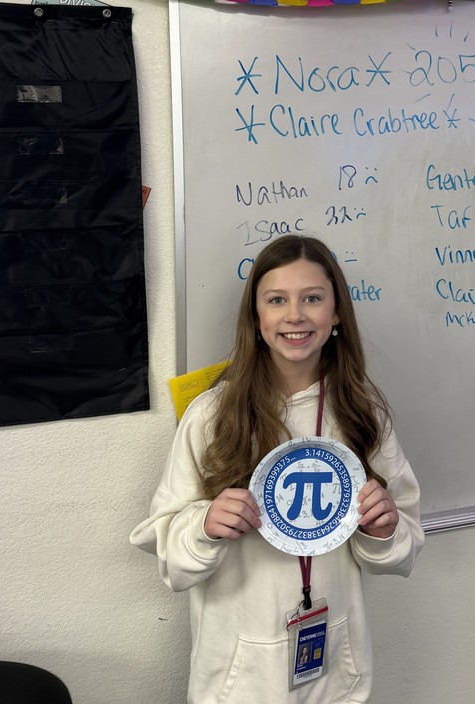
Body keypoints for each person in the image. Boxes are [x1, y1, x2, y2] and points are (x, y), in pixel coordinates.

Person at [130, 234, 424, 704]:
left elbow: (403, 548)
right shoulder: (212, 415)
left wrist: (383, 529)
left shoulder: (363, 414)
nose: (295, 315)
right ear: (256, 317)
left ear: (336, 315)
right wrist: (205, 526)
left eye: (312, 298)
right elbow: (169, 558)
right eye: (276, 300)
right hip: (237, 680)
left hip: (336, 676)